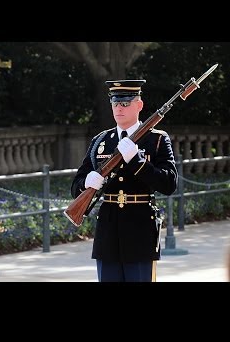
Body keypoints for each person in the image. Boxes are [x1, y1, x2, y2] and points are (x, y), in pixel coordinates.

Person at [71, 79, 178, 282]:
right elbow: (76, 187)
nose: (119, 108)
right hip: (108, 234)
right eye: (115, 103)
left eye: (125, 103)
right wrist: (86, 182)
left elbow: (169, 183)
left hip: (140, 233)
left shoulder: (156, 140)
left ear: (139, 105)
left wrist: (137, 161)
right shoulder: (100, 141)